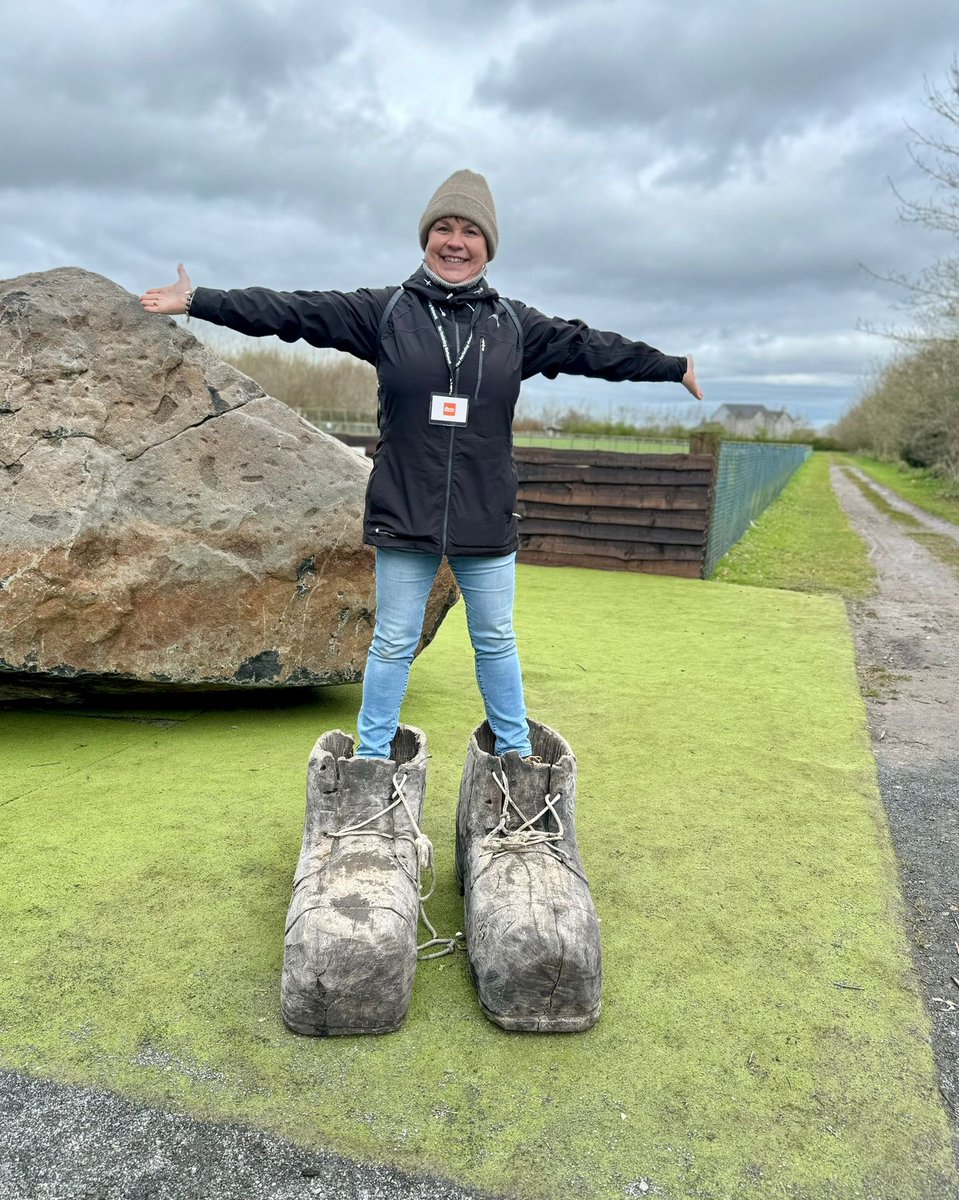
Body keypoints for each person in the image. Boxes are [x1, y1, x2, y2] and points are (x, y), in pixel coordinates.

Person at [140, 169, 702, 763]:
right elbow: (293, 312)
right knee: (392, 642)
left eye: (469, 231)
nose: (455, 241)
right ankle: (372, 763)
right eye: (443, 228)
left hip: (484, 512)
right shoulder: (386, 313)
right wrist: (198, 301)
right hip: (405, 507)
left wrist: (671, 366)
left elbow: (593, 348)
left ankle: (514, 761)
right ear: (426, 238)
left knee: (496, 641)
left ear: (488, 245)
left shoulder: (514, 325)